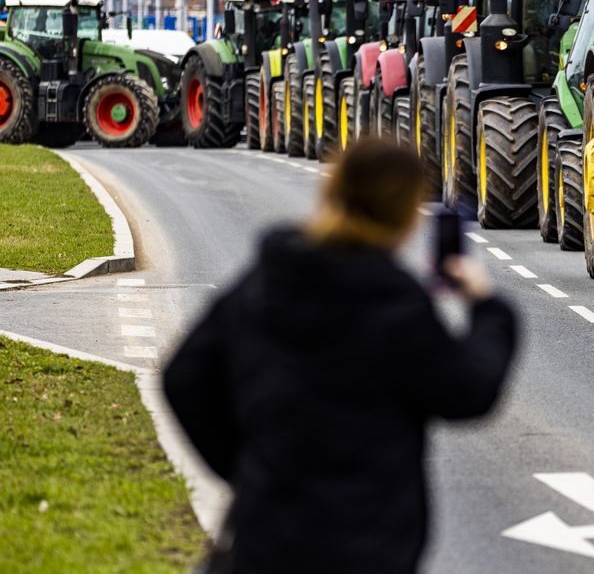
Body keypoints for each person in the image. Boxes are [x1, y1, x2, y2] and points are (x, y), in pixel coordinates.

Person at [164, 139, 518, 573]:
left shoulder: (271, 277)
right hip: (368, 548)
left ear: (332, 190)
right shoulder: (392, 302)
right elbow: (469, 391)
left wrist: (246, 468)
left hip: (267, 540)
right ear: (407, 216)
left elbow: (184, 377)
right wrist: (488, 310)